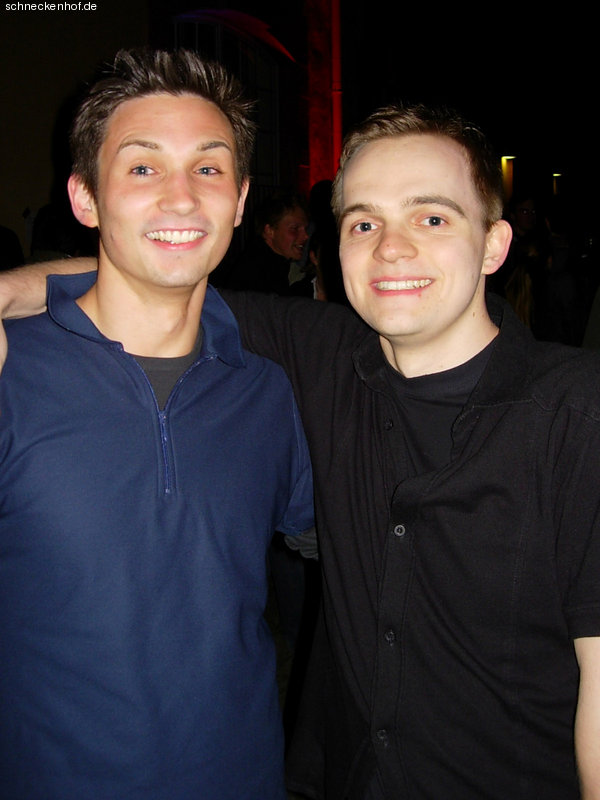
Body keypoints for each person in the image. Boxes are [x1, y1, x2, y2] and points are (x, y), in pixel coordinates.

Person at [3, 105, 600, 799]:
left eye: (432, 218)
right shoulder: (319, 355)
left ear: (494, 245)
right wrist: (9, 290)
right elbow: (155, 268)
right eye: (364, 224)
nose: (392, 248)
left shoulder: (575, 411)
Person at [0, 49, 314, 800]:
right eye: (143, 167)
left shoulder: (268, 392)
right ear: (85, 198)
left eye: (208, 168)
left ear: (239, 200)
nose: (182, 197)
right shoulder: (12, 374)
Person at [224, 193, 310, 295]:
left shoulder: (274, 264)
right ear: (270, 231)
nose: (305, 236)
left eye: (305, 229)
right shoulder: (255, 273)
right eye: (294, 229)